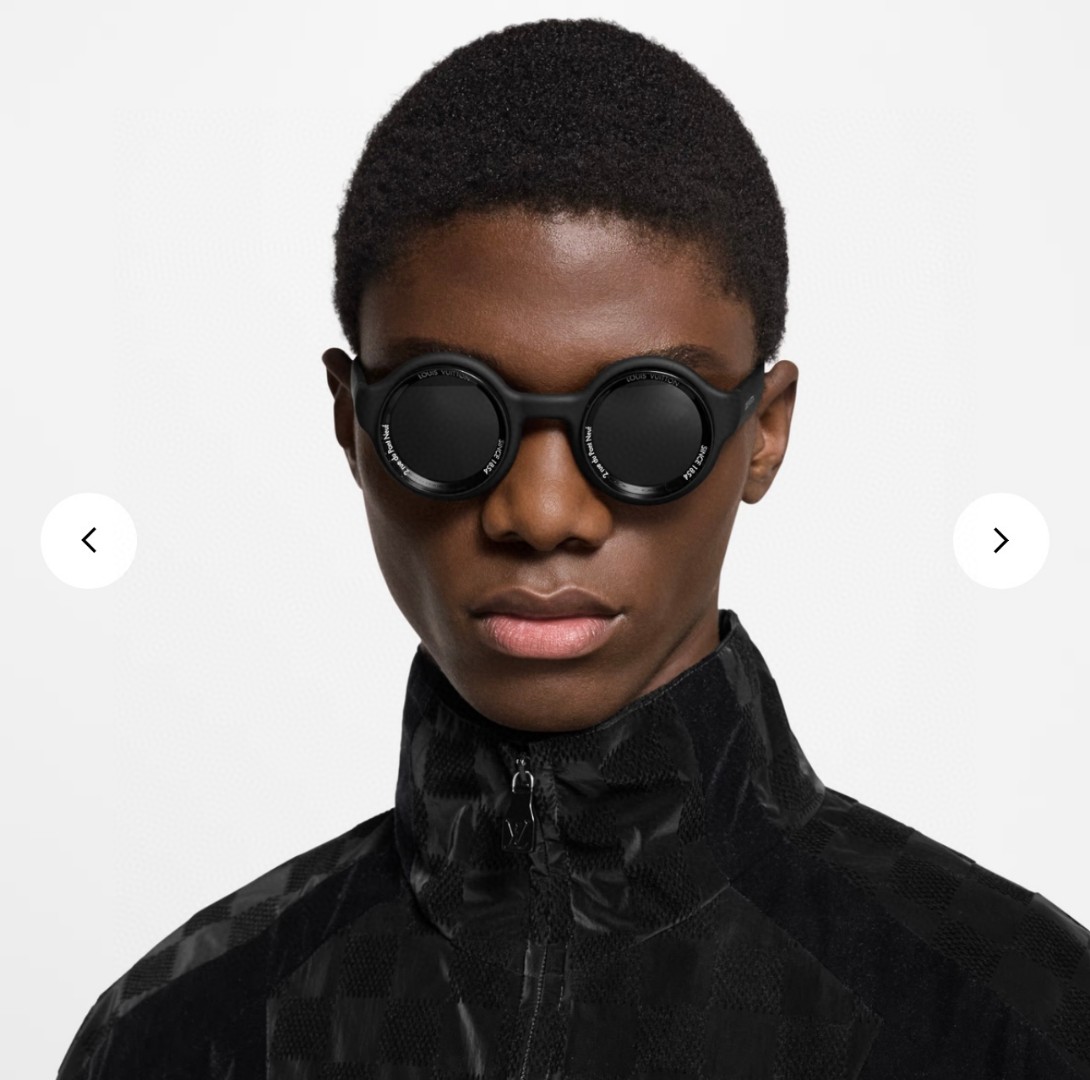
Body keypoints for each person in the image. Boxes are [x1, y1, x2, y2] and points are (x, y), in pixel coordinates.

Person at [57, 17, 1090, 1080]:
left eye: (647, 421)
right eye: (447, 416)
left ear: (764, 432)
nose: (541, 513)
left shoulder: (1016, 1015)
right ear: (351, 423)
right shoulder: (181, 1036)